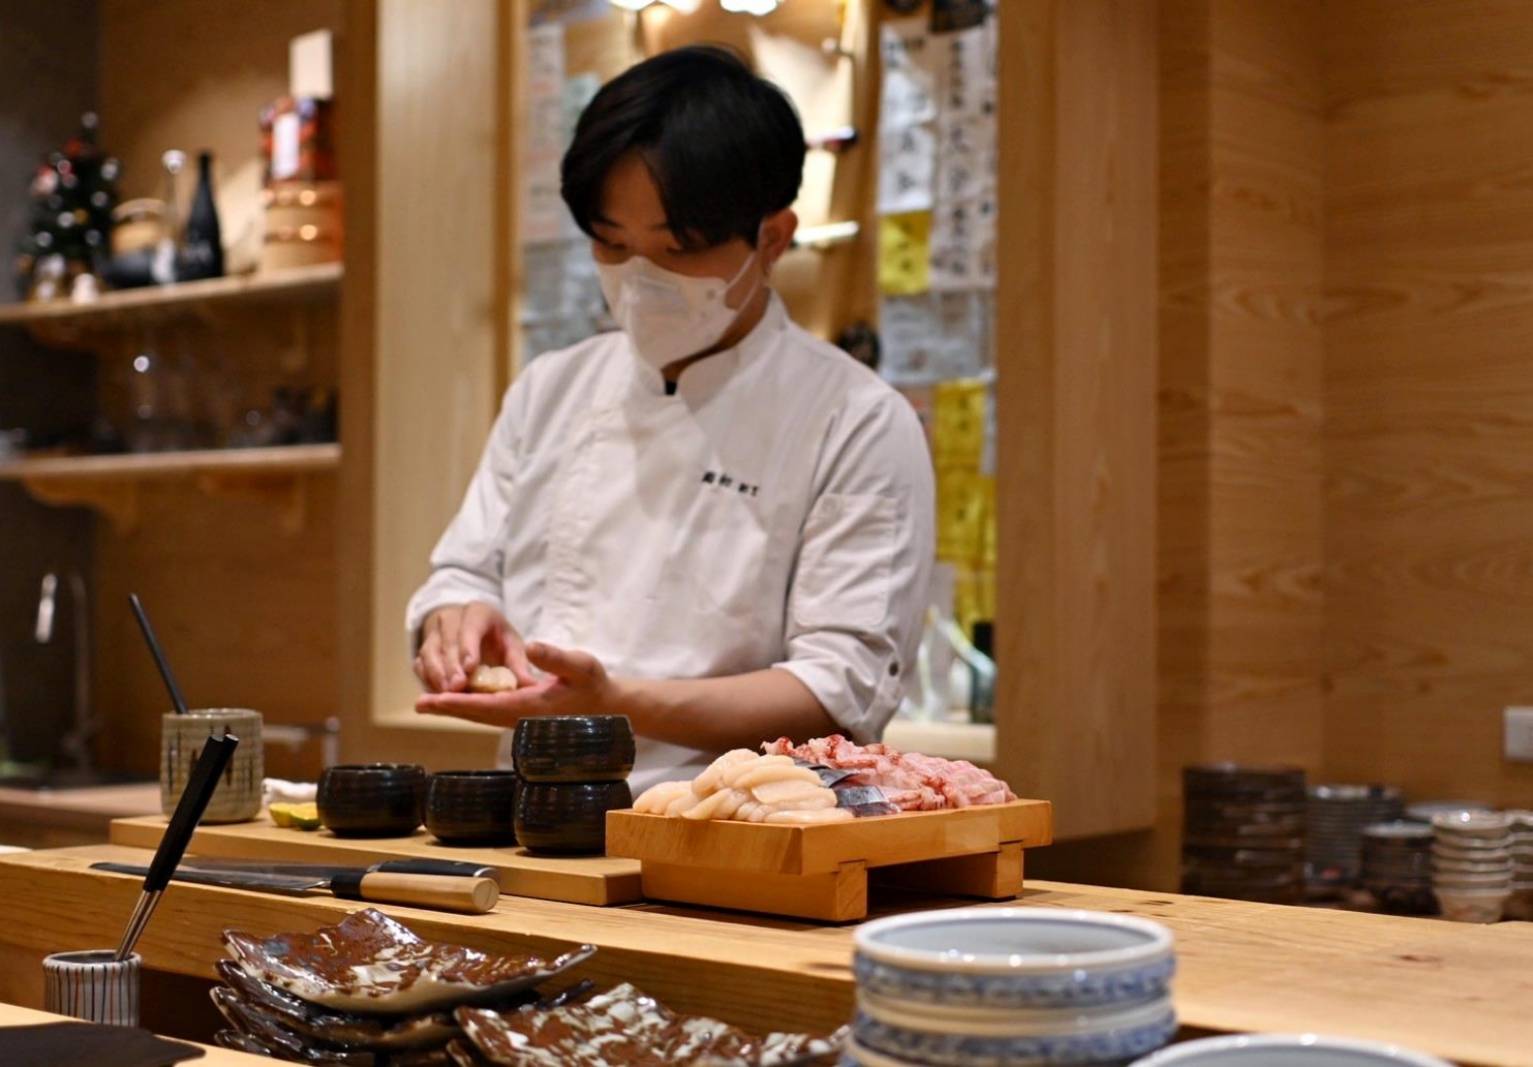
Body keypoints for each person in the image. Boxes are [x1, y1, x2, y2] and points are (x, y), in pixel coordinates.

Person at [406, 46, 935, 792]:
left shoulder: (854, 419)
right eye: (611, 243)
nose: (639, 278)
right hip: (529, 819)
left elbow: (838, 687)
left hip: (740, 836)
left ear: (772, 239)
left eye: (677, 248)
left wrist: (615, 705)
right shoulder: (550, 389)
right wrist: (458, 616)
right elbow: (464, 568)